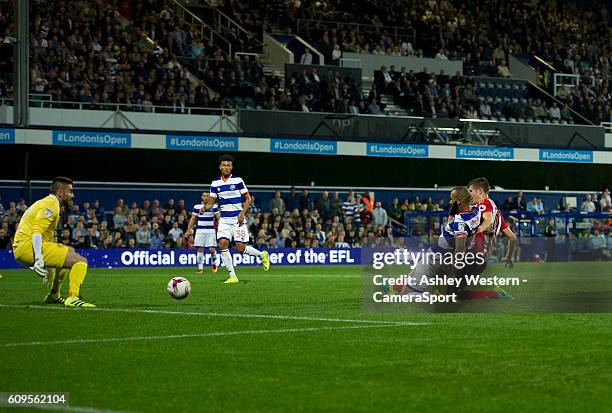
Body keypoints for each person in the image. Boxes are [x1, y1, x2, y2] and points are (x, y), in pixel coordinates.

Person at [12, 177, 94, 307]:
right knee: (80, 261)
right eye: (70, 191)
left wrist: (49, 271)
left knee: (69, 252)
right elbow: (37, 231)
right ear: (60, 193)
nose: (73, 195)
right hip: (27, 247)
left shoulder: (48, 203)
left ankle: (54, 294)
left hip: (24, 246)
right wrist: (39, 257)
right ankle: (73, 297)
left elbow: (47, 240)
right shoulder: (51, 204)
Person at [201, 155, 270, 283]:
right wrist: (204, 207)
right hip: (224, 220)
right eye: (224, 165)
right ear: (220, 167)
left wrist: (242, 213)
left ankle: (262, 255)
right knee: (222, 244)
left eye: (229, 165)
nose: (226, 167)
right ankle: (232, 276)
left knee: (240, 247)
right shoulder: (215, 183)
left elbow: (248, 199)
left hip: (237, 220)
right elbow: (211, 202)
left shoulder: (238, 180)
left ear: (231, 167)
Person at [185, 192, 220, 274]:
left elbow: (218, 219)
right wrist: (188, 230)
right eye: (204, 196)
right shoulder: (197, 207)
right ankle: (200, 268)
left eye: (207, 196)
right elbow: (193, 219)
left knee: (212, 249)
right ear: (201, 197)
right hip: (200, 230)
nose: (206, 197)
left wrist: (221, 228)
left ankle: (214, 263)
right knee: (200, 249)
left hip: (211, 230)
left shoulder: (214, 207)